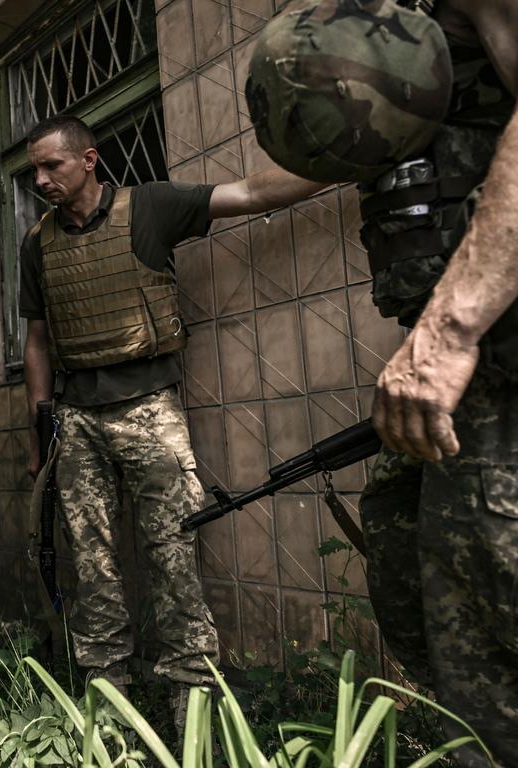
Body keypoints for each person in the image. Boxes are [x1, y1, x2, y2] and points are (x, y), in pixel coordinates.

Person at [246, 1, 518, 764]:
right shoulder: (408, 26)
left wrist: (451, 328)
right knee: (408, 570)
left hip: (492, 349)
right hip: (469, 372)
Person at [20, 115, 323, 730]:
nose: (40, 179)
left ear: (88, 160)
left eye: (52, 165)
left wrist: (345, 164)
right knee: (90, 562)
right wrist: (40, 431)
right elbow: (37, 339)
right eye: (33, 169)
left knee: (172, 554)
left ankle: (192, 705)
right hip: (76, 419)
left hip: (150, 406)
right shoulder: (36, 242)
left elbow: (250, 193)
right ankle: (109, 710)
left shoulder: (150, 206)